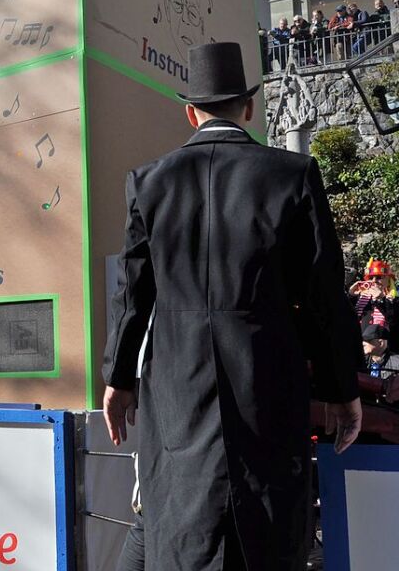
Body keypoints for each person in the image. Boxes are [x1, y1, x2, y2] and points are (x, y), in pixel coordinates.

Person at [102, 42, 363, 571]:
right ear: (248, 107)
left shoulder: (149, 182)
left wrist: (120, 376)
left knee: (180, 521)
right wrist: (342, 389)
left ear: (190, 111)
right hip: (266, 379)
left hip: (176, 381)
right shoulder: (292, 174)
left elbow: (133, 294)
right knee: (268, 527)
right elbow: (322, 295)